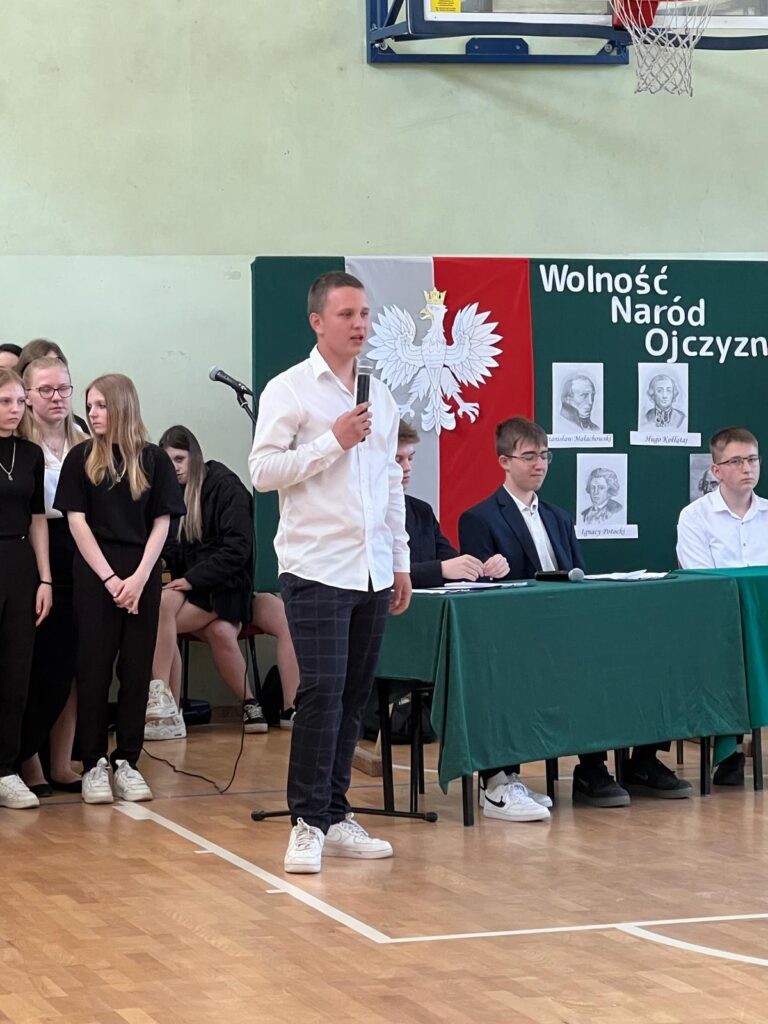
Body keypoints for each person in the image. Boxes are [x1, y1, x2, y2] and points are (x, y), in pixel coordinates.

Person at [249, 270, 411, 874]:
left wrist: (399, 559)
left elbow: (390, 481)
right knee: (320, 693)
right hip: (316, 566)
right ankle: (306, 822)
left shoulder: (380, 396)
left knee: (353, 696)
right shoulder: (289, 390)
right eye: (347, 314)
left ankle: (337, 813)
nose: (360, 324)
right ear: (318, 322)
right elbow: (262, 471)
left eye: (365, 314)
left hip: (371, 570)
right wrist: (332, 443)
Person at [459, 416, 691, 816]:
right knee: (576, 667)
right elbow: (479, 594)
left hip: (568, 626)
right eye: (529, 456)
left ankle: (636, 762)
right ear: (504, 462)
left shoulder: (559, 517)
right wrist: (488, 570)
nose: (540, 464)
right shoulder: (480, 518)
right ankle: (585, 768)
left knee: (636, 656)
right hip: (519, 634)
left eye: (545, 455)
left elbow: (578, 576)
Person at [54, 374, 185, 804]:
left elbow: (162, 522)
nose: (92, 414)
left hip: (141, 574)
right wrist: (111, 579)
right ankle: (94, 762)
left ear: (122, 407)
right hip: (96, 575)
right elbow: (76, 522)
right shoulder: (80, 458)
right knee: (93, 670)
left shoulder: (153, 460)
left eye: (101, 406)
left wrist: (141, 577)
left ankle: (127, 760)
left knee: (136, 670)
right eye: (90, 406)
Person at [147, 425, 298, 738]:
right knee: (164, 611)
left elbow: (237, 549)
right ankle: (171, 708)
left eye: (179, 459)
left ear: (195, 456)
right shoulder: (172, 494)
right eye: (168, 461)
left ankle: (168, 709)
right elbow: (174, 548)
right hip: (196, 586)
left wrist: (191, 579)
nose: (174, 468)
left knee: (160, 618)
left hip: (226, 586)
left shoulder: (225, 486)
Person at [677, 426, 766, 786]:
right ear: (716, 470)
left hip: (764, 622)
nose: (747, 468)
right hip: (716, 626)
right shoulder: (694, 516)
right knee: (728, 647)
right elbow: (702, 582)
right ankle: (730, 750)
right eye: (737, 461)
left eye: (753, 459)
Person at [17, 357, 88, 795]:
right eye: (46, 390)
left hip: (80, 551)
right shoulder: (20, 444)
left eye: (63, 388)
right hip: (36, 552)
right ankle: (27, 760)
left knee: (72, 665)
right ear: (27, 395)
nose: (57, 397)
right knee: (39, 663)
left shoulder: (83, 438)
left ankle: (61, 762)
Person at [0, 367, 52, 809]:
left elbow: (38, 519)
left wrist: (45, 578)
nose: (15, 410)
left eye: (20, 401)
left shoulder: (30, 454)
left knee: (16, 672)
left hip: (21, 565)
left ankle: (6, 768)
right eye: (5, 402)